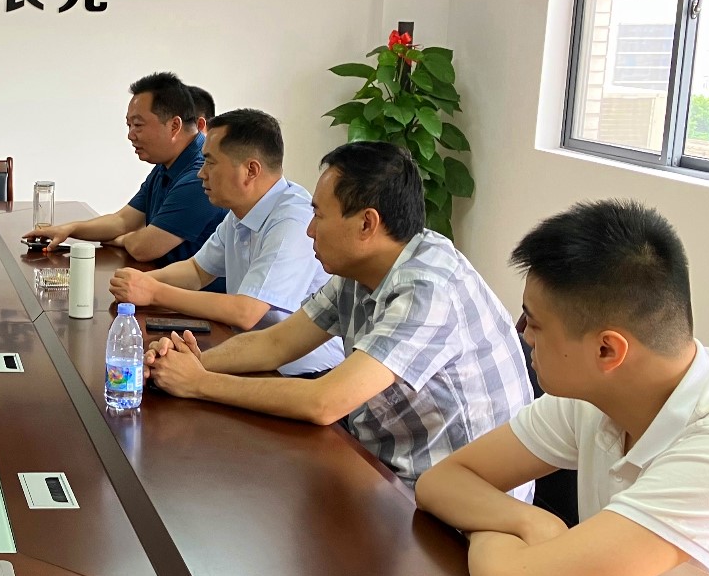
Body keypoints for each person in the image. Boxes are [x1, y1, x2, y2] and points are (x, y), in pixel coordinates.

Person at [415, 201, 709, 576]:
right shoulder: (597, 399)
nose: (523, 336)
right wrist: (533, 522)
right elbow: (443, 482)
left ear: (607, 349)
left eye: (533, 322)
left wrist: (511, 541)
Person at [146, 141, 533, 489]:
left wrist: (200, 383)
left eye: (319, 215)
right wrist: (190, 364)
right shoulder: (365, 265)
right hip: (385, 463)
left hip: (452, 503)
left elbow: (324, 402)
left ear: (367, 223)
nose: (310, 230)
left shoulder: (428, 289)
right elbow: (276, 343)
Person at [108, 108, 344, 376]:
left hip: (303, 373)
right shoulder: (240, 211)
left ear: (250, 170)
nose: (201, 173)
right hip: (249, 355)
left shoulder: (294, 218)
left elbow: (246, 312)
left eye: (210, 162)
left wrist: (153, 292)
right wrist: (140, 282)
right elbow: (196, 271)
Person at [22, 72, 225, 267]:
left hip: (189, 289)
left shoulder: (200, 174)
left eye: (138, 125)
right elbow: (121, 221)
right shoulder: (167, 163)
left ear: (174, 126)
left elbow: (144, 248)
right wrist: (69, 229)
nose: (130, 135)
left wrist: (121, 239)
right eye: (129, 125)